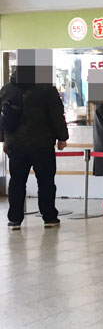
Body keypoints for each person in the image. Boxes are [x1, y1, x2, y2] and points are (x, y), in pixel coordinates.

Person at [0, 50, 69, 230]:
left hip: (16, 145)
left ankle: (14, 220)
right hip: (42, 144)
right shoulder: (46, 89)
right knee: (45, 181)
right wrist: (62, 137)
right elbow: (57, 115)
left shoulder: (6, 89)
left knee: (17, 181)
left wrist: (4, 140)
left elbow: (2, 118)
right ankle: (49, 217)